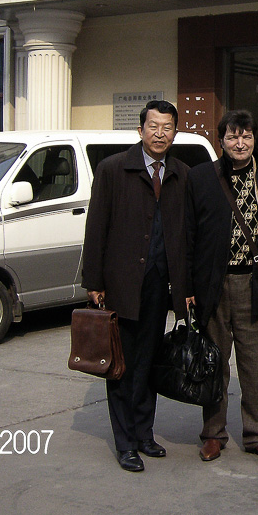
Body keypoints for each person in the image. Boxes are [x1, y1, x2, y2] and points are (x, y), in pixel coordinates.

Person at [186, 109, 258, 463]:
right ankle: (213, 433)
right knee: (214, 363)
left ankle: (257, 436)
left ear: (255, 139)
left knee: (255, 366)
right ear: (220, 140)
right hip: (213, 284)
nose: (241, 143)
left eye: (247, 136)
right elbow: (187, 233)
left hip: (253, 283)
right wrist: (188, 286)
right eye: (233, 136)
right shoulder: (202, 177)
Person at [81, 99, 191, 472]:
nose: (160, 134)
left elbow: (185, 235)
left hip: (161, 283)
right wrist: (94, 280)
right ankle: (125, 441)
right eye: (153, 127)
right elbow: (96, 227)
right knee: (121, 363)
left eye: (167, 127)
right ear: (140, 130)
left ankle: (145, 433)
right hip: (123, 283)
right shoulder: (113, 169)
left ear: (175, 132)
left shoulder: (181, 173)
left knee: (148, 361)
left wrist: (184, 285)